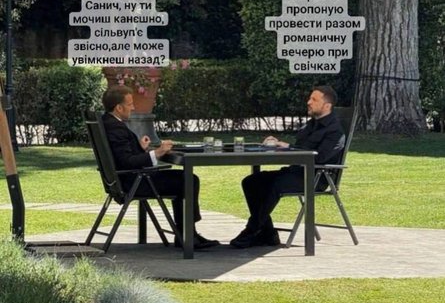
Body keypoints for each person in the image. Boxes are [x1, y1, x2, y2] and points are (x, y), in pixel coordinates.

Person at [101, 85, 219, 249]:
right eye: (130, 104)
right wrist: (157, 152)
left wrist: (139, 148)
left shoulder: (107, 122)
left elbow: (122, 155)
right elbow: (127, 161)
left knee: (184, 179)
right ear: (118, 108)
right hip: (135, 183)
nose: (133, 107)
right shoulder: (116, 128)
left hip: (122, 180)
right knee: (189, 180)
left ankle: (185, 234)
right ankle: (188, 235)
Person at [230, 85, 345, 249]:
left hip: (315, 177)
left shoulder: (335, 131)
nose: (309, 102)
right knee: (251, 181)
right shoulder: (311, 124)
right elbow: (299, 147)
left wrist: (288, 147)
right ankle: (267, 233)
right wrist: (278, 145)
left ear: (327, 106)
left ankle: (252, 230)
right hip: (295, 171)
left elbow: (319, 157)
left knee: (276, 184)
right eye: (310, 98)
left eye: (314, 99)